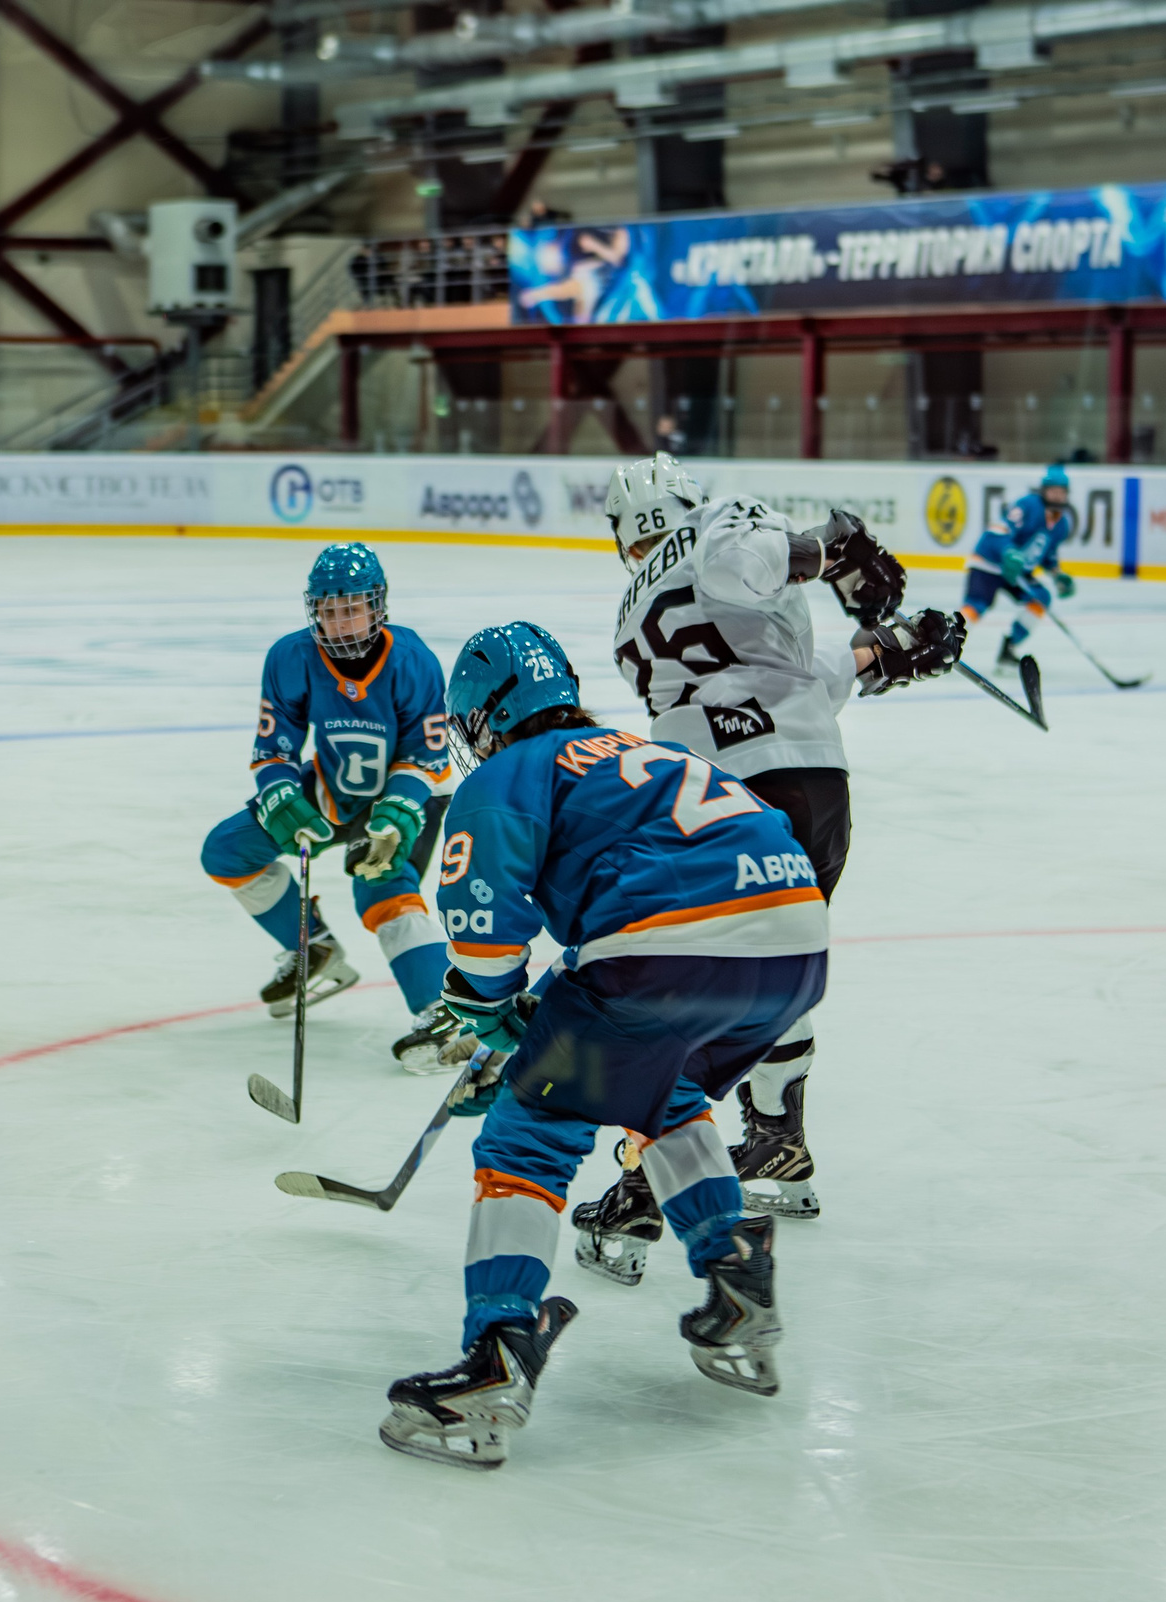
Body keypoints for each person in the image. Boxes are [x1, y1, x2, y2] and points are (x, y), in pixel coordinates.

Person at [377, 622, 833, 1471]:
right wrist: (535, 1027)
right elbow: (616, 929)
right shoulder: (640, 751)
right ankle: (736, 1274)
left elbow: (482, 951)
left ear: (484, 718)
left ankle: (495, 1357)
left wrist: (493, 1024)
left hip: (670, 947)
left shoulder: (515, 769)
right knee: (655, 1086)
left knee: (527, 1132)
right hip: (796, 946)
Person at [564, 455, 961, 1278]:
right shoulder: (722, 521)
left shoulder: (630, 610)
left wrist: (863, 616)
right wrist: (865, 614)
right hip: (812, 786)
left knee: (689, 986)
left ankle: (647, 1184)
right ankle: (778, 1143)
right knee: (761, 969)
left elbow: (739, 651)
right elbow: (774, 644)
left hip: (720, 803)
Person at [197, 544, 469, 1072]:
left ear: (377, 606)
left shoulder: (412, 661)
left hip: (409, 794)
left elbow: (429, 754)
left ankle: (445, 1013)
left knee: (381, 884)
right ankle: (313, 948)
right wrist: (280, 795)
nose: (339, 622)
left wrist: (398, 812)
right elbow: (274, 746)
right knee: (226, 852)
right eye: (328, 608)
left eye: (352, 607)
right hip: (332, 789)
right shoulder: (291, 657)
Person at [959, 465, 1077, 665]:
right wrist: (1008, 550)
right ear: (1044, 491)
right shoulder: (1028, 505)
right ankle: (945, 640)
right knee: (977, 605)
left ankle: (1009, 648)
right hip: (989, 562)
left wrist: (1057, 575)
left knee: (1041, 598)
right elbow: (1001, 528)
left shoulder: (1062, 525)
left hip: (1017, 572)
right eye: (1053, 491)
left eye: (1061, 492)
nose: (1057, 496)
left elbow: (1047, 555)